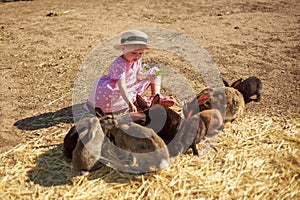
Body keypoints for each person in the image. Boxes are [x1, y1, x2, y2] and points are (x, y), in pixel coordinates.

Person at [85, 29, 174, 114]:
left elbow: (138, 76)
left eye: (140, 53)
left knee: (156, 71)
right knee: (114, 94)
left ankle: (156, 98)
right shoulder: (119, 64)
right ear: (123, 49)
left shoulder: (137, 59)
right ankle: (136, 102)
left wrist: (148, 77)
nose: (137, 56)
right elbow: (121, 85)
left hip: (131, 85)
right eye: (134, 53)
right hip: (119, 88)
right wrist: (129, 104)